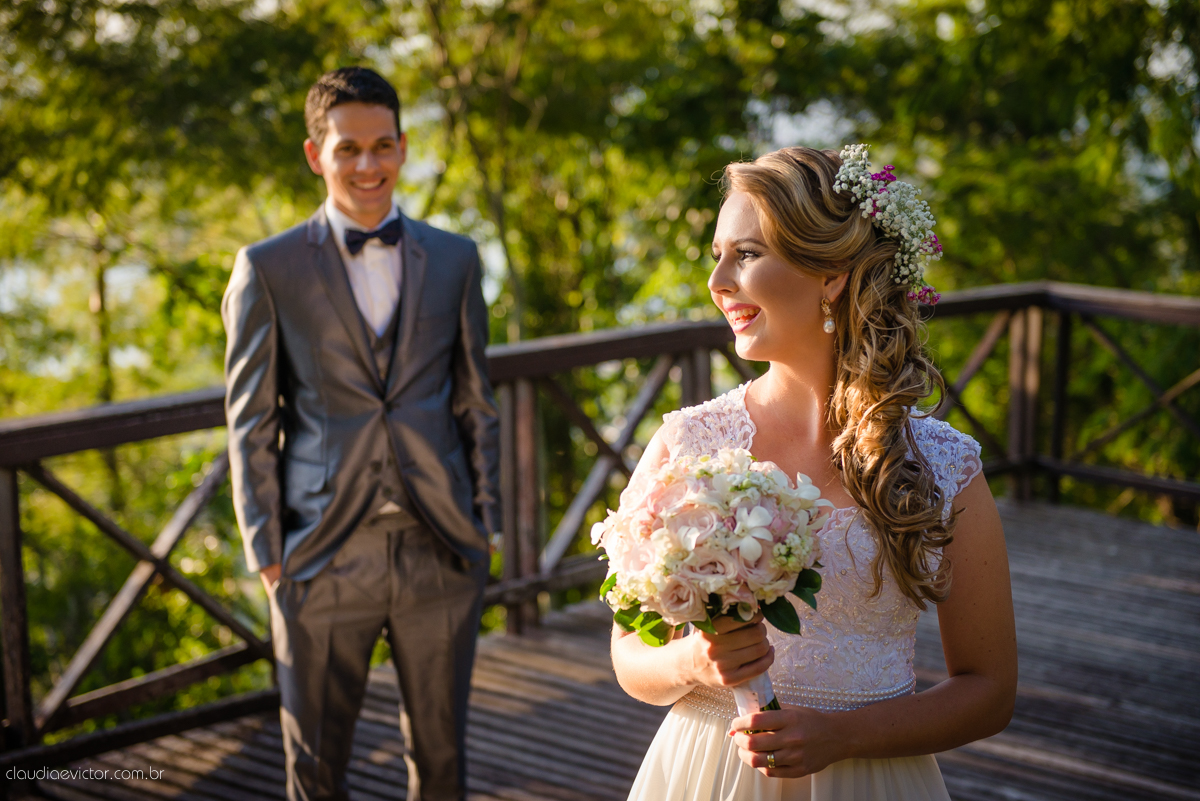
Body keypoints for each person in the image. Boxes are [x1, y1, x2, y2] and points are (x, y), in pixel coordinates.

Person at [611, 146, 1017, 800]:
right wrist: (691, 660)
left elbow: (990, 690)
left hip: (871, 779)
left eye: (745, 254)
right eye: (716, 254)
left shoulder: (945, 465)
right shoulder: (687, 442)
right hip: (708, 773)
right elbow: (628, 652)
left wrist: (845, 735)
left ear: (829, 274)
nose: (718, 281)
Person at [221, 66, 499, 801]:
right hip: (319, 555)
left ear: (404, 147)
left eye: (383, 146)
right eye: (349, 149)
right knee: (315, 766)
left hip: (439, 546)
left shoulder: (455, 259)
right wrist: (269, 556)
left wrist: (485, 527)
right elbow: (251, 419)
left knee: (442, 762)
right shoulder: (266, 268)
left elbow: (476, 399)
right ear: (316, 154)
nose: (368, 165)